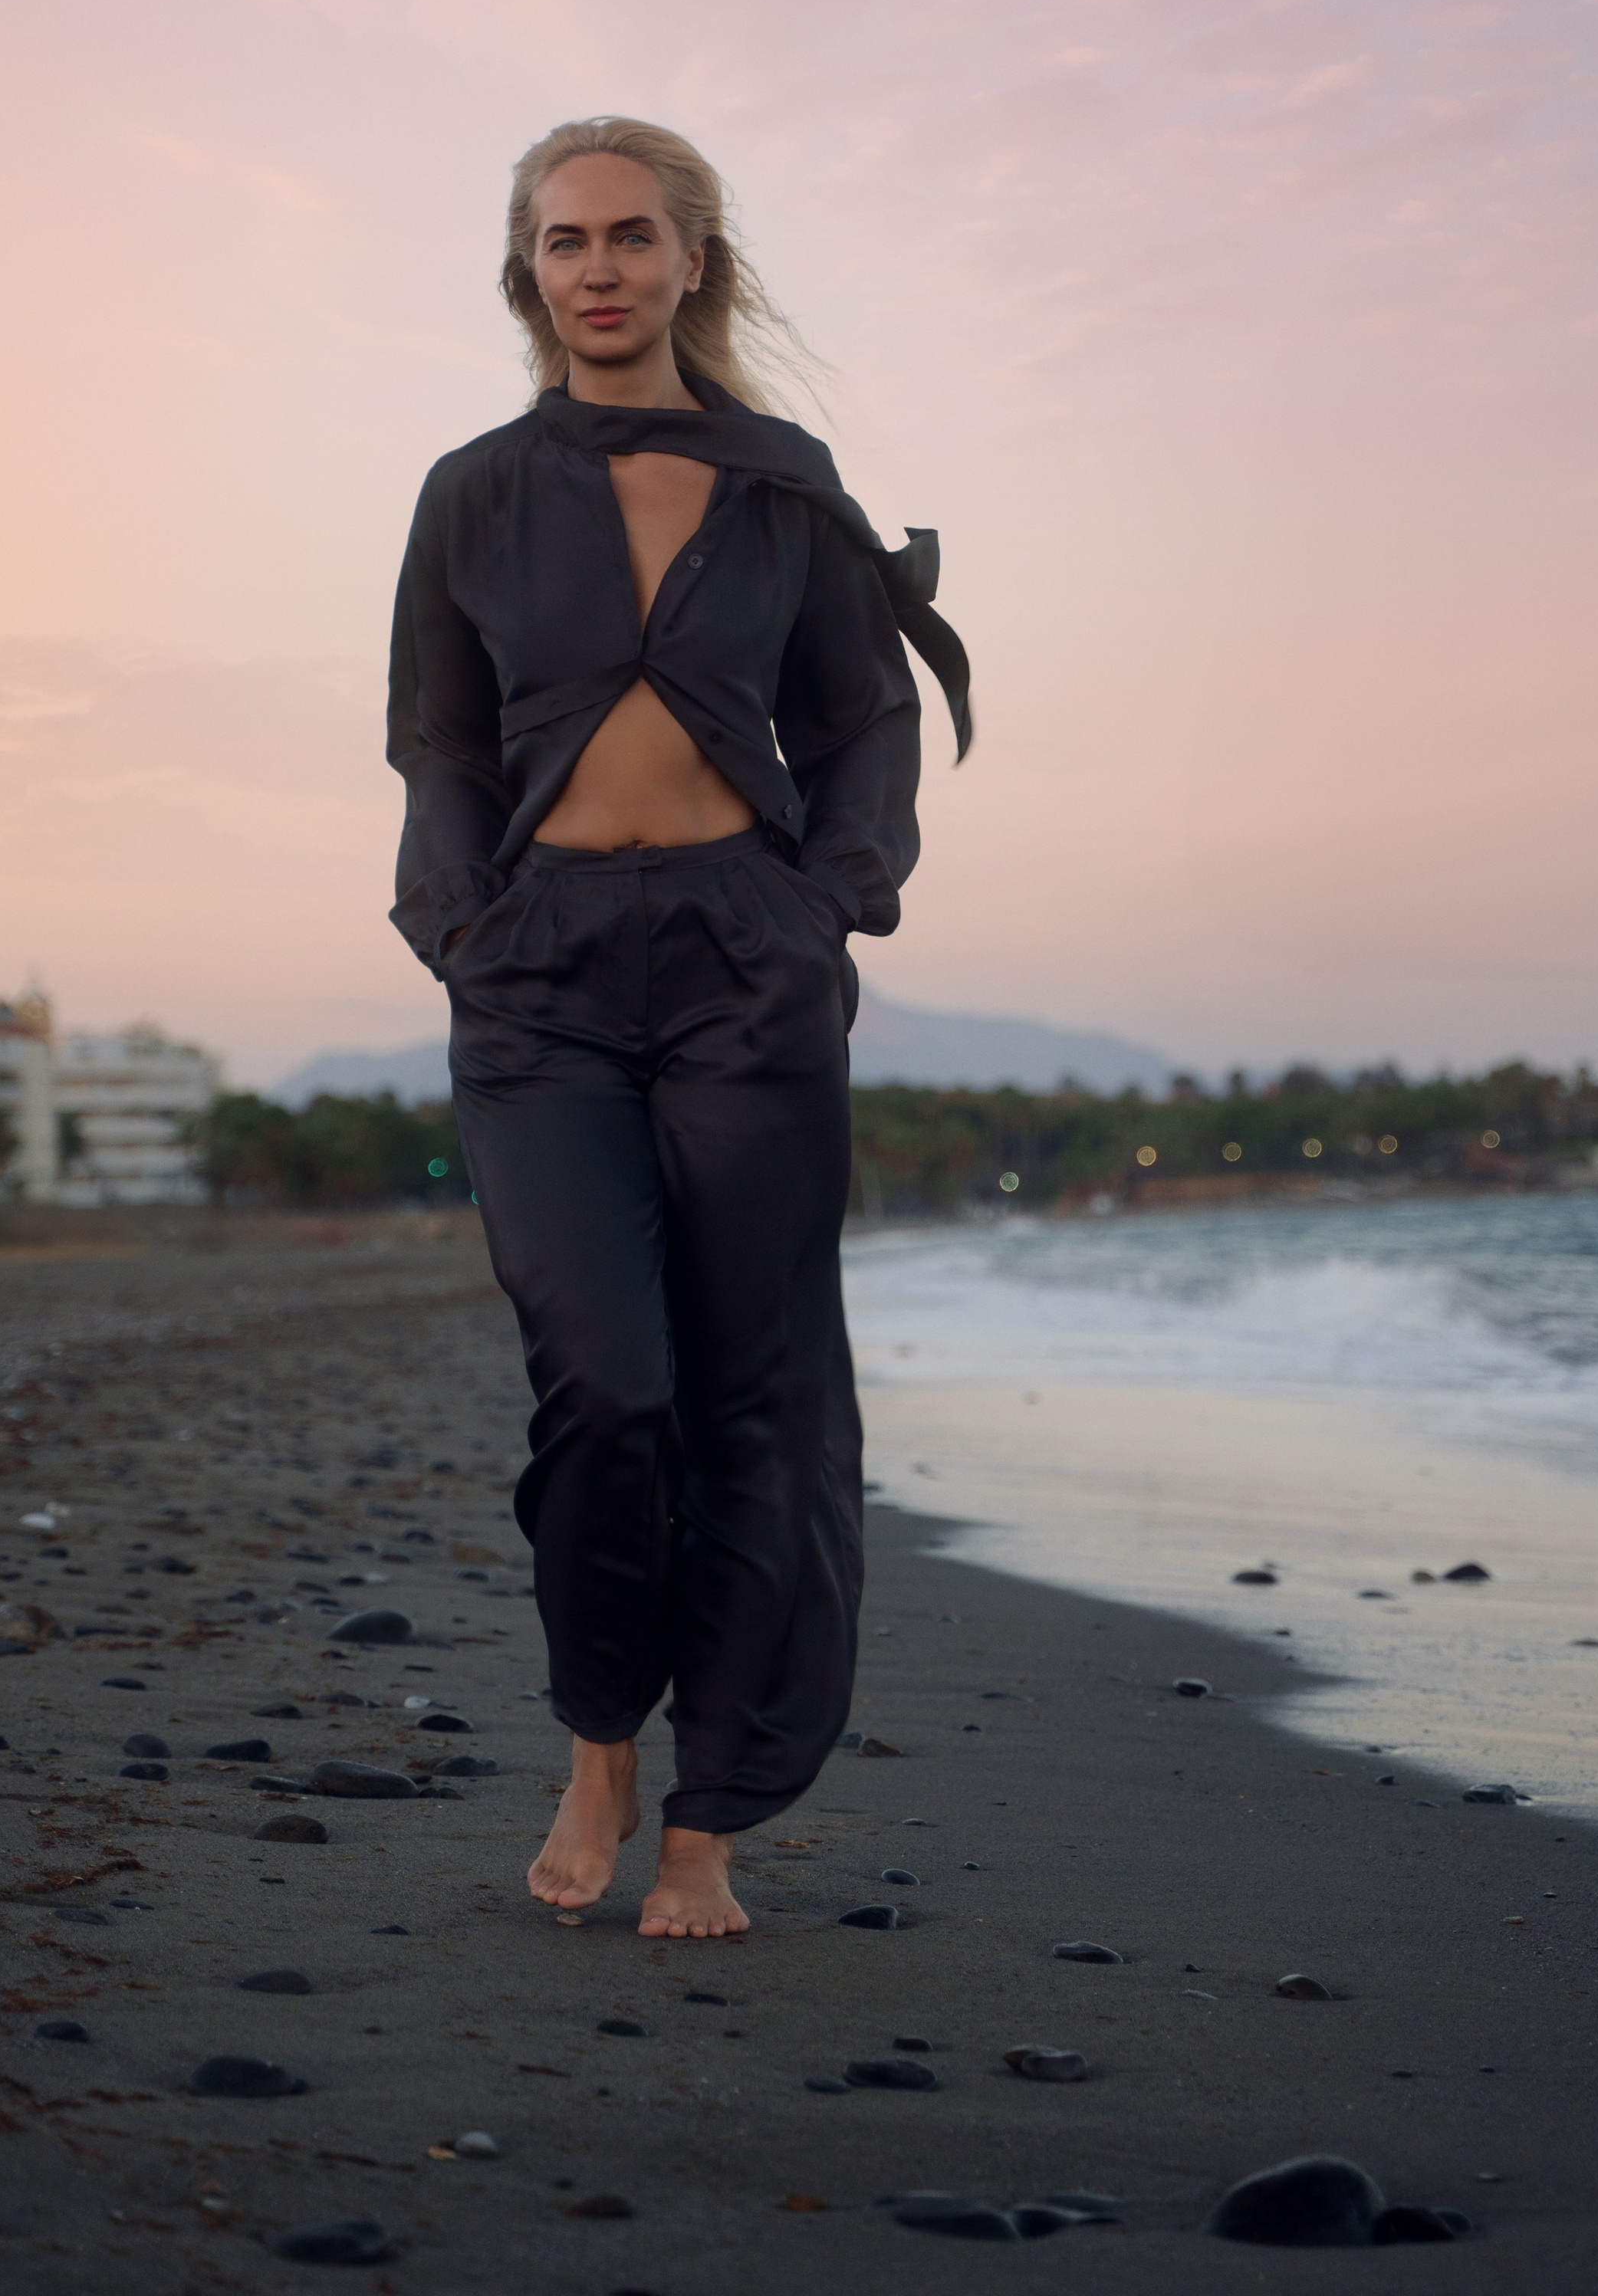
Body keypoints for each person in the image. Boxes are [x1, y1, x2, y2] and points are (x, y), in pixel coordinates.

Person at [386, 118, 968, 1937]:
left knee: (756, 1403)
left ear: (690, 261)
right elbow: (439, 737)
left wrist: (833, 895)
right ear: (528, 272)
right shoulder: (472, 491)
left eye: (633, 236)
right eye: (564, 243)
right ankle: (596, 1744)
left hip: (742, 962)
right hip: (539, 974)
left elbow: (863, 717)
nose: (600, 269)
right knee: (607, 1384)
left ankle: (708, 1818)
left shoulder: (783, 485)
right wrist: (463, 924)